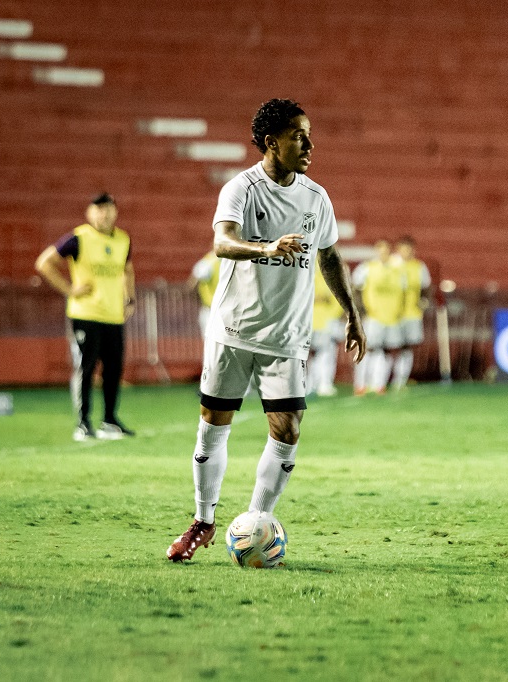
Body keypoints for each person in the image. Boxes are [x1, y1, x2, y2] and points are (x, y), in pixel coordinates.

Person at [167, 98, 365, 562]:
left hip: (287, 338)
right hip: (234, 330)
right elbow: (221, 241)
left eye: (309, 135)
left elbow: (330, 257)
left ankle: (255, 523)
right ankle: (203, 521)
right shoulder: (242, 188)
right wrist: (267, 247)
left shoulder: (317, 198)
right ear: (272, 143)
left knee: (288, 428)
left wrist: (353, 313)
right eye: (300, 136)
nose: (310, 145)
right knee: (214, 425)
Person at [35, 192, 136, 441]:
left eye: (109, 208)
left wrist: (129, 297)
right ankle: (83, 423)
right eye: (99, 208)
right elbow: (44, 262)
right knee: (86, 368)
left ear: (116, 212)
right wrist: (70, 290)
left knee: (113, 370)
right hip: (86, 315)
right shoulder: (79, 238)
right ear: (90, 213)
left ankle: (109, 421)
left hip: (113, 316)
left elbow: (127, 269)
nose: (105, 213)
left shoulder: (123, 239)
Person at [351, 240, 406, 395]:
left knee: (387, 350)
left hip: (392, 317)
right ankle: (360, 384)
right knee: (368, 349)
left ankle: (379, 384)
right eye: (380, 251)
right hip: (373, 316)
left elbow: (403, 292)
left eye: (386, 251)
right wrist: (362, 310)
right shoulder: (367, 268)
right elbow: (356, 289)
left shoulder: (398, 270)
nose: (383, 254)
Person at [391, 236, 432, 391]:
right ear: (398, 249)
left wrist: (424, 301)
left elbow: (426, 287)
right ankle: (378, 380)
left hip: (412, 313)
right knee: (387, 347)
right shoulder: (392, 265)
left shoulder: (419, 267)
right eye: (403, 249)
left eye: (409, 249)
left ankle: (400, 380)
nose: (406, 252)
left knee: (406, 347)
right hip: (392, 313)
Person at [308, 264, 347, 397]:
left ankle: (322, 383)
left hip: (326, 321)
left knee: (325, 353)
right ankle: (314, 384)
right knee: (316, 354)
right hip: (311, 320)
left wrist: (333, 316)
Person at [189, 250, 220, 338]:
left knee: (210, 345)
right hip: (230, 310)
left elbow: (193, 283)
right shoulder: (236, 259)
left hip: (210, 310)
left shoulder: (209, 260)